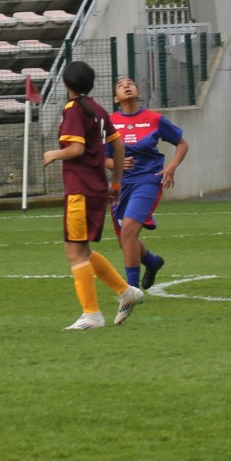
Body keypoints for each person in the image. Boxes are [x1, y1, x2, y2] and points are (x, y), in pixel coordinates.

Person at [43, 61, 145, 329]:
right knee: (82, 250)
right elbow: (119, 144)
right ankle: (126, 292)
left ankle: (92, 315)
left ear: (66, 84)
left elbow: (75, 150)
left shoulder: (74, 110)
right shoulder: (98, 109)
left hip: (81, 190)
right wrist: (117, 183)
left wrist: (54, 154)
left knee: (74, 252)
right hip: (97, 187)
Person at [106, 76, 189, 291]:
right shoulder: (110, 123)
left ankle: (130, 291)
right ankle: (152, 262)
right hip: (120, 186)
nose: (126, 86)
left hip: (148, 181)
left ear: (138, 93)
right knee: (124, 240)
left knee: (129, 232)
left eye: (130, 83)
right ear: (117, 98)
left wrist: (171, 167)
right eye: (121, 85)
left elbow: (182, 143)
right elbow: (101, 158)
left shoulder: (154, 119)